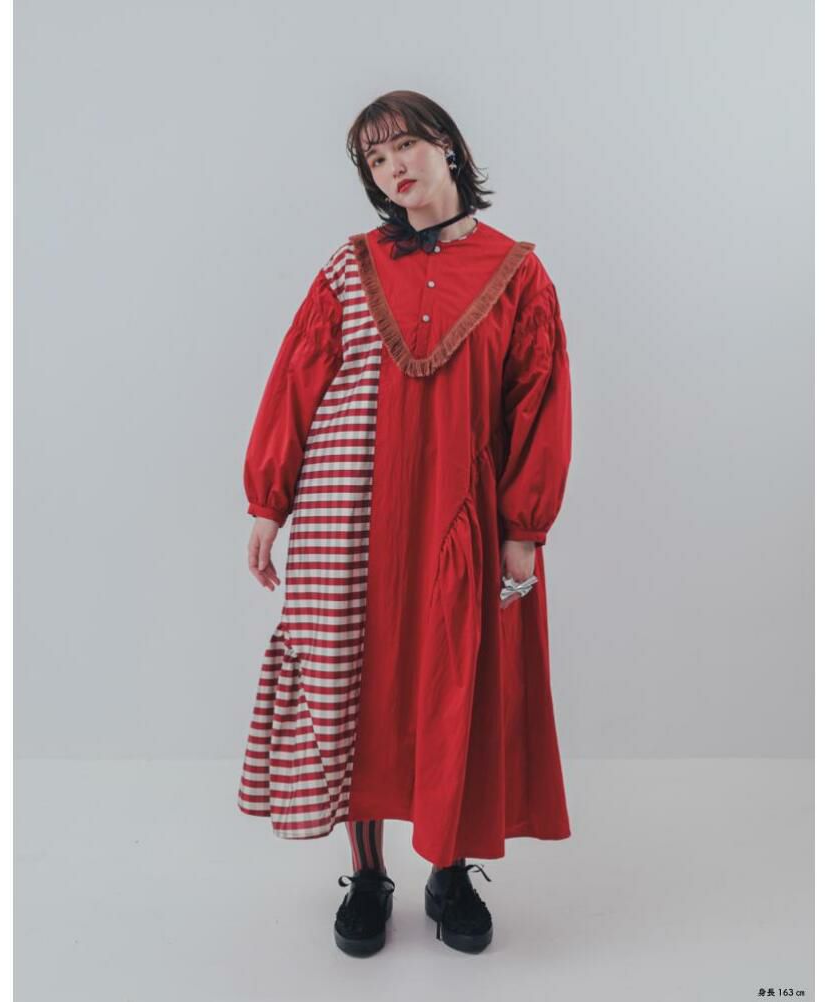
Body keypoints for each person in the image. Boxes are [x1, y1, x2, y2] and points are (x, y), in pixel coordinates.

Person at [236, 90, 573, 956]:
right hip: (351, 513)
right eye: (375, 160)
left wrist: (524, 526)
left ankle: (448, 872)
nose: (394, 168)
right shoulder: (350, 267)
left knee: (452, 684)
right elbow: (298, 375)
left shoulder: (516, 272)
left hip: (460, 516)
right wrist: (268, 502)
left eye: (407, 146)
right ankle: (369, 875)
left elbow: (538, 400)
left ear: (447, 147)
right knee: (353, 687)